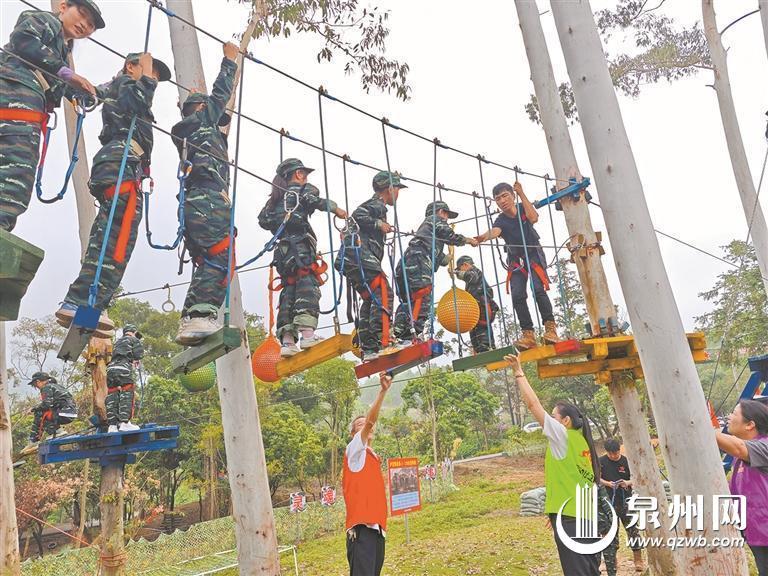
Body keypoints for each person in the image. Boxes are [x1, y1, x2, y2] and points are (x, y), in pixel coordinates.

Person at [56, 51, 171, 336]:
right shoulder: (128, 86)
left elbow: (93, 94)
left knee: (109, 239)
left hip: (120, 167)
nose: (153, 79)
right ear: (130, 67)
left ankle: (89, 306)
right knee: (116, 241)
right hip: (122, 166)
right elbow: (138, 99)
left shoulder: (117, 88)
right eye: (150, 71)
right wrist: (145, 78)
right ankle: (79, 301)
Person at [0, 0, 104, 232]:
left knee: (16, 175)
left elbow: (69, 88)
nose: (84, 25)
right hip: (15, 102)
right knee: (15, 175)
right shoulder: (45, 20)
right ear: (64, 7)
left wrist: (105, 90)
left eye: (90, 25)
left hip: (23, 110)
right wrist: (68, 74)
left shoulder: (60, 52)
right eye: (82, 14)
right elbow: (24, 40)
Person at [504, 353, 600, 576]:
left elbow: (533, 404)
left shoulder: (562, 435)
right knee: (590, 571)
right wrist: (556, 514)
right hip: (585, 517)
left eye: (554, 416)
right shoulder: (582, 442)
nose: (550, 419)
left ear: (565, 421)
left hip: (571, 520)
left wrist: (518, 372)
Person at [171, 42, 239, 345]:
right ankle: (200, 314)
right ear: (201, 109)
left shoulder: (190, 133)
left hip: (196, 204)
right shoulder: (200, 122)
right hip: (209, 201)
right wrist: (230, 61)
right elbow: (221, 94)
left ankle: (192, 318)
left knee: (208, 260)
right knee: (221, 255)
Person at [258, 158, 347, 357]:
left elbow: (263, 220)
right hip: (300, 250)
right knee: (307, 286)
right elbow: (313, 201)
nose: (306, 177)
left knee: (289, 290)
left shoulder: (274, 200)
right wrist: (336, 209)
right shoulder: (303, 190)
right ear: (298, 174)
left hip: (283, 254)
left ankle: (287, 342)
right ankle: (307, 335)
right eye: (304, 173)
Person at [475, 181, 560, 350]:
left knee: (538, 289)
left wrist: (521, 193)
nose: (502, 201)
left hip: (533, 254)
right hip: (516, 259)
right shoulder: (501, 220)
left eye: (505, 196)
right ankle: (528, 334)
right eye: (498, 199)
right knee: (518, 295)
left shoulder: (522, 209)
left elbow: (533, 218)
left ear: (512, 196)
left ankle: (550, 329)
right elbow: (496, 231)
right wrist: (483, 237)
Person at [335, 171, 406, 362]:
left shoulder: (378, 206)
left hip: (351, 260)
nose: (398, 193)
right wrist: (379, 223)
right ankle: (384, 340)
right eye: (397, 189)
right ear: (389, 189)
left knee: (370, 298)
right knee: (384, 292)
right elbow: (358, 214)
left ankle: (369, 348)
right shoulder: (377, 204)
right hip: (359, 257)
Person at [393, 200, 478, 342]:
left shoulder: (427, 235)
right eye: (446, 215)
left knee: (408, 300)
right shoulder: (434, 219)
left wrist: (447, 258)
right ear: (440, 212)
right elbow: (450, 236)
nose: (446, 219)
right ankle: (409, 337)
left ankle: (398, 333)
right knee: (422, 297)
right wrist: (468, 240)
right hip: (419, 260)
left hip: (407, 262)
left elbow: (438, 258)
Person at [343, 372, 392, 576]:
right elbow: (371, 421)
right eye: (359, 425)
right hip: (362, 530)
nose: (366, 426)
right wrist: (382, 391)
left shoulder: (372, 456)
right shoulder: (354, 450)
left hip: (376, 530)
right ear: (353, 434)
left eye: (366, 423)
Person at [714, 400, 768, 575]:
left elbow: (738, 447)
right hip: (757, 531)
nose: (729, 417)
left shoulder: (763, 446)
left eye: (734, 413)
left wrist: (699, 427)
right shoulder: (742, 458)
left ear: (750, 424)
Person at [598, 439, 645, 575]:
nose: (614, 455)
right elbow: (596, 478)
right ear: (607, 452)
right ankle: (613, 561)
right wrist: (608, 483)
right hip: (609, 503)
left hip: (626, 502)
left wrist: (627, 482)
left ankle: (638, 559)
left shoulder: (626, 461)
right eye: (611, 453)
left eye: (616, 452)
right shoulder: (601, 462)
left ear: (619, 449)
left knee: (633, 530)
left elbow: (636, 478)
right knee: (611, 533)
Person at [455, 255, 499, 353]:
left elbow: (471, 277)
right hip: (476, 309)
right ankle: (478, 349)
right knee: (475, 331)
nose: (460, 271)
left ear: (465, 265)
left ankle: (486, 349)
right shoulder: (470, 281)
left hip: (482, 307)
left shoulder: (474, 271)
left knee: (482, 332)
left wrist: (456, 273)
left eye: (460, 269)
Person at [105, 324, 144, 432]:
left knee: (112, 394)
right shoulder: (133, 339)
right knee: (127, 391)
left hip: (110, 369)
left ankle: (112, 426)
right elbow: (139, 355)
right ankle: (125, 423)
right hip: (123, 368)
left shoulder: (117, 342)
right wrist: (136, 360)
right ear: (134, 332)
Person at [28, 372, 77, 444]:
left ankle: (35, 440)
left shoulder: (46, 387)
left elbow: (46, 405)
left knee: (39, 413)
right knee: (44, 412)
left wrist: (33, 409)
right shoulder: (56, 386)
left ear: (38, 381)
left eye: (34, 385)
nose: (36, 387)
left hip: (64, 413)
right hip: (71, 413)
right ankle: (35, 439)